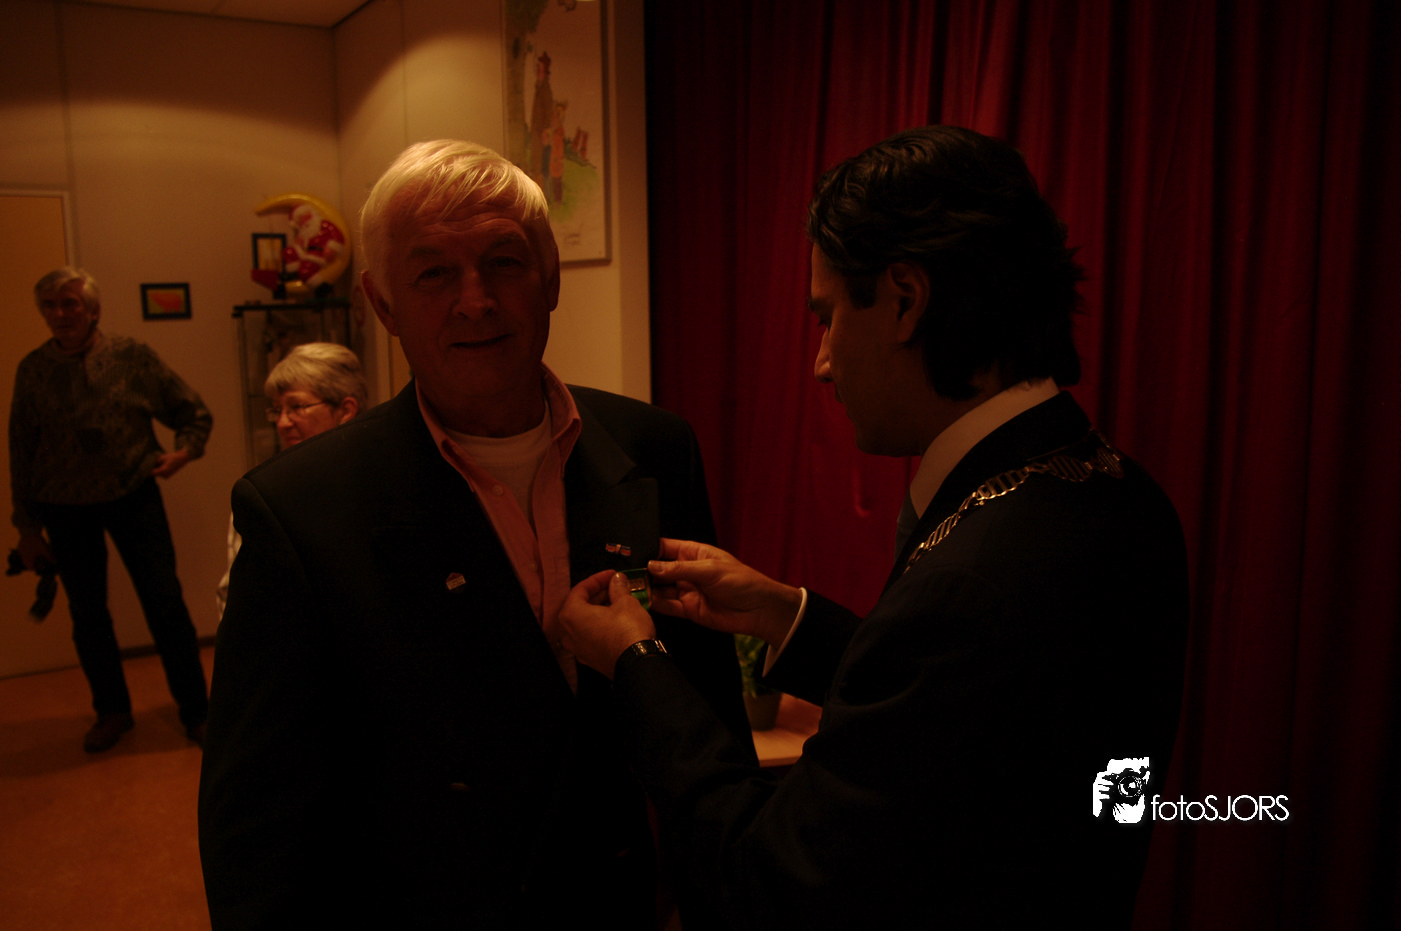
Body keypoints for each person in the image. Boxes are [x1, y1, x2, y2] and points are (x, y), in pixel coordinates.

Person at [558, 126, 1191, 929]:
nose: (822, 362)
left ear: (903, 299)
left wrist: (637, 663)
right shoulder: (1122, 491)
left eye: (828, 317)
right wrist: (785, 614)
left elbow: (772, 879)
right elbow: (961, 729)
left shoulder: (970, 576)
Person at [198, 140, 751, 930]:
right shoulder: (297, 508)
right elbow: (256, 821)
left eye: (504, 262)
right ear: (382, 303)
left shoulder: (656, 446)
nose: (475, 300)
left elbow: (706, 700)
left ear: (550, 276)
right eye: (433, 274)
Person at [9, 266, 212, 752]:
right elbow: (21, 451)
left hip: (133, 496)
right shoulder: (33, 370)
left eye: (70, 303)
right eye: (51, 306)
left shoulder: (131, 356)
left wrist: (184, 451)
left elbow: (191, 410)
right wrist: (27, 528)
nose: (61, 314)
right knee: (88, 615)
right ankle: (112, 711)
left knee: (165, 604)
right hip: (64, 508)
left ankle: (198, 712)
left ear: (93, 310)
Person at [214, 342, 365, 618]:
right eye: (277, 410)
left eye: (297, 407)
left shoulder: (379, 481)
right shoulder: (264, 495)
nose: (282, 423)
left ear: (346, 410)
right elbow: (235, 599)